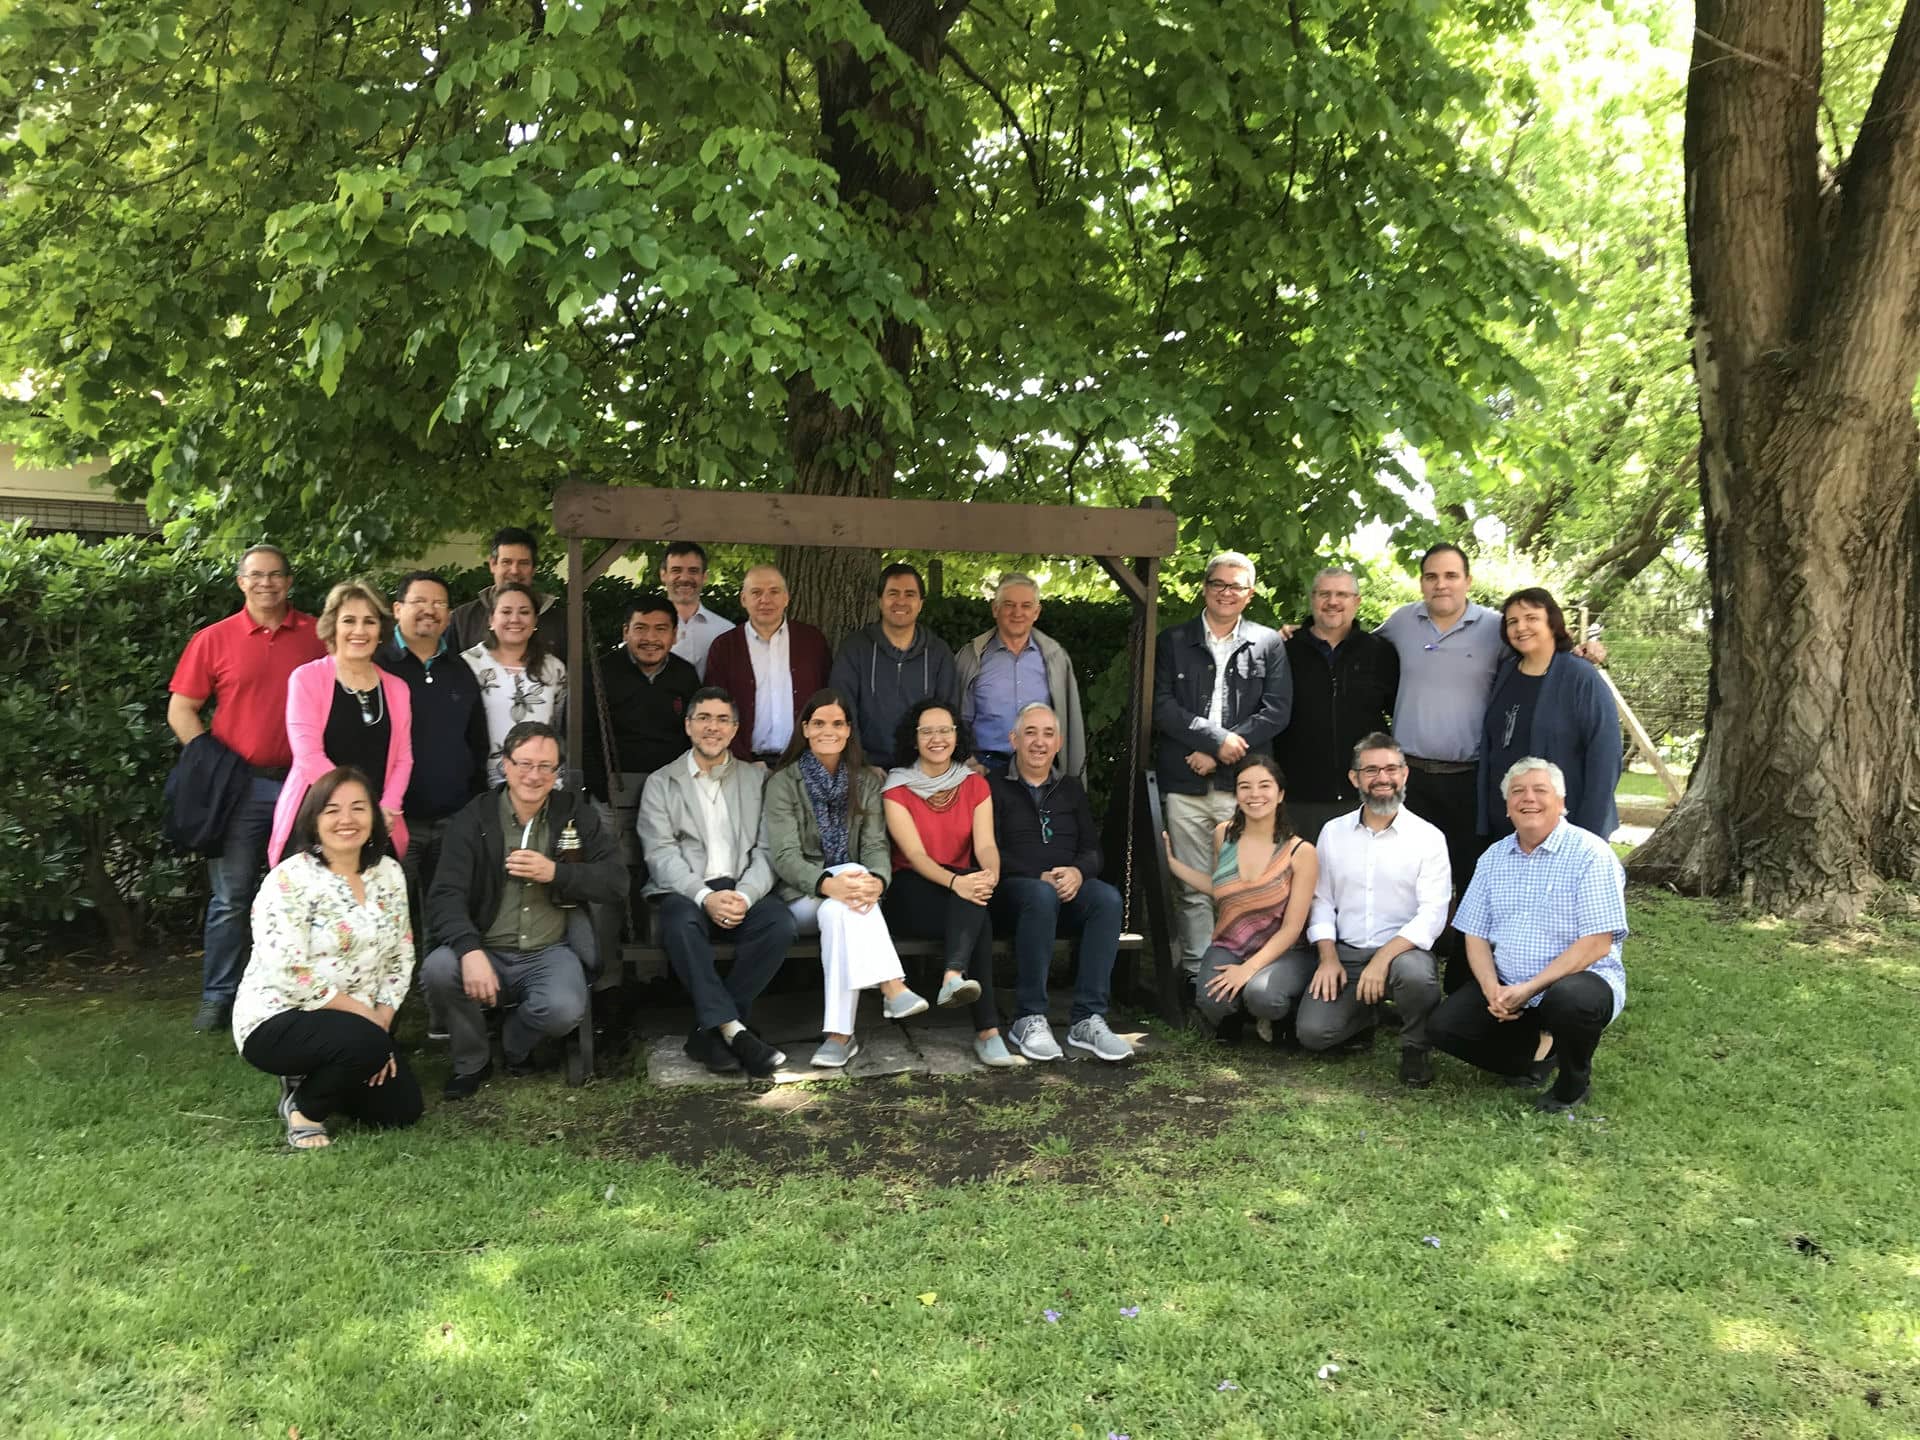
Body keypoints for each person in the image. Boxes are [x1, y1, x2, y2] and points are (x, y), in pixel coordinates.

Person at [168, 542, 327, 1031]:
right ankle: (218, 997)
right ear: (241, 582)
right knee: (231, 898)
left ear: (289, 581)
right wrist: (212, 764)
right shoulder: (213, 639)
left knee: (305, 895)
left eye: (275, 574)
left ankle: (301, 993)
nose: (266, 583)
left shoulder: (318, 635)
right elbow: (181, 709)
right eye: (255, 575)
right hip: (239, 790)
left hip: (304, 788)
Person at [423, 722, 628, 1099]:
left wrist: (557, 873)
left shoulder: (574, 813)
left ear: (557, 772)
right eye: (525, 764)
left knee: (564, 1008)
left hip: (549, 949)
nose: (534, 776)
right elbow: (445, 895)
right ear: (505, 764)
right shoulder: (474, 818)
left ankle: (513, 1044)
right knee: (439, 969)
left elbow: (616, 881)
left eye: (546, 767)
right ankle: (472, 1060)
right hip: (485, 945)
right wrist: (469, 950)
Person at [234, 767, 422, 1149]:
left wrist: (382, 1021)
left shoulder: (389, 873)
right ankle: (304, 1109)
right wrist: (369, 1027)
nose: (346, 819)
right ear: (313, 819)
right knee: (366, 1046)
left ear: (374, 816)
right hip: (280, 1016)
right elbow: (288, 970)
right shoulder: (289, 879)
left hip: (360, 1024)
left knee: (401, 1110)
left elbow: (402, 954)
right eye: (332, 810)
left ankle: (327, 1070)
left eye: (358, 808)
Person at [1428, 757, 1629, 1113]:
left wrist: (1530, 988)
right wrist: (1492, 989)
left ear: (1561, 802)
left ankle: (1572, 1086)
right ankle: (1537, 1054)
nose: (1528, 798)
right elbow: (1474, 934)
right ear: (1508, 807)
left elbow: (1597, 943)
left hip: (1579, 981)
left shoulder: (1591, 854)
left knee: (1570, 1001)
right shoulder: (1493, 857)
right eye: (1518, 792)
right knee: (1444, 1028)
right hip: (1509, 983)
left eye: (1540, 790)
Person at [637, 687, 798, 1077]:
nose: (713, 727)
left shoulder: (756, 779)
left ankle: (709, 1032)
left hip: (743, 888)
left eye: (723, 719)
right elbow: (660, 854)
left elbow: (768, 849)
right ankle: (735, 1031)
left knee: (780, 924)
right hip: (686, 891)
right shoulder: (662, 782)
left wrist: (745, 895)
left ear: (735, 729)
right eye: (704, 718)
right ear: (688, 725)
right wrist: (704, 896)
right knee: (679, 923)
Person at [765, 689, 930, 1067]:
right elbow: (785, 857)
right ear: (806, 729)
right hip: (800, 897)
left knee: (840, 912)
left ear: (848, 730)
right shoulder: (783, 783)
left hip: (851, 901)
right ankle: (892, 985)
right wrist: (829, 883)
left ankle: (840, 1036)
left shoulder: (866, 782)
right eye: (819, 723)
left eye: (837, 724)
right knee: (845, 885)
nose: (829, 731)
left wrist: (877, 880)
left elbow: (875, 845)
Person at [1153, 550, 1292, 974]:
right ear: (1204, 588)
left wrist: (1221, 751)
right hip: (1184, 782)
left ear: (1250, 594)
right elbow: (1160, 706)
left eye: (1236, 586)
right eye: (1218, 584)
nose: (1226, 592)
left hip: (1244, 787)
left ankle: (1246, 973)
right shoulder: (1172, 641)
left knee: (1247, 886)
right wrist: (1216, 741)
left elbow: (1276, 711)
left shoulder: (1267, 643)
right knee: (1192, 887)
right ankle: (1200, 975)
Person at [989, 703, 1135, 1062]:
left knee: (1107, 899)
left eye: (1048, 734)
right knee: (1040, 894)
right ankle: (1028, 1017)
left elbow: (1093, 850)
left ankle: (1087, 1018)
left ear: (1058, 743)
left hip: (1066, 891)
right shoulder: (992, 786)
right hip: (1013, 894)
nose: (1039, 742)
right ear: (1013, 739)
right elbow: (986, 850)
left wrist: (1077, 873)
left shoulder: (1070, 788)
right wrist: (1035, 875)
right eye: (1030, 733)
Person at [1302, 734, 1449, 1086]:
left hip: (1403, 955)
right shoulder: (1333, 832)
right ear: (1354, 778)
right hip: (1347, 955)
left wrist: (1382, 959)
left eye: (1391, 769)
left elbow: (1432, 914)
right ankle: (1367, 1015)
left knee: (1416, 977)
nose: (1382, 778)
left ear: (1405, 774)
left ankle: (1415, 1046)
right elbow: (1321, 900)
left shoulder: (1428, 837)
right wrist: (1327, 957)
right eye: (1371, 770)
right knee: (1313, 1033)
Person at [881, 699, 1016, 1067]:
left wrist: (990, 874)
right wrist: (959, 882)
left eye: (944, 730)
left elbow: (985, 845)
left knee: (977, 900)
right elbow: (916, 855)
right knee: (977, 911)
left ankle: (954, 979)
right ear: (914, 738)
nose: (936, 738)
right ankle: (986, 1030)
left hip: (961, 889)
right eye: (927, 731)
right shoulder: (897, 787)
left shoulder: (974, 785)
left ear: (957, 736)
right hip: (911, 888)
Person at [1374, 543, 1502, 911]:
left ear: (1468, 581)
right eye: (1431, 576)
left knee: (1470, 875)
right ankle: (1410, 946)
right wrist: (1297, 632)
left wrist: (1582, 650)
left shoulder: (1496, 628)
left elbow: (1540, 651)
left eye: (1450, 576)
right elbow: (1352, 644)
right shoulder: (1401, 622)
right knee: (1407, 876)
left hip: (1469, 778)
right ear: (1421, 583)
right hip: (1410, 778)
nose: (1440, 584)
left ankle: (1465, 949)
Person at [1162, 754, 1319, 1037]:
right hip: (1232, 944)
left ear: (1280, 794)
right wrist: (1173, 864)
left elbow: (1292, 929)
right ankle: (1243, 1013)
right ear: (1236, 794)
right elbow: (1222, 888)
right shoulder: (1223, 835)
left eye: (1264, 786)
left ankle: (1279, 1011)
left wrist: (1247, 970)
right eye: (1245, 786)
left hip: (1287, 950)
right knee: (1211, 1000)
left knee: (1264, 996)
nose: (1254, 794)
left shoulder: (1300, 852)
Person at [268, 580, 413, 867]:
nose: (359, 630)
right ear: (332, 627)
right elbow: (309, 757)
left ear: (380, 631)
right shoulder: (306, 679)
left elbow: (403, 759)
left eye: (369, 621)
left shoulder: (398, 688)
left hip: (377, 823)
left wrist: (386, 808)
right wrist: (356, 809)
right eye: (349, 620)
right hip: (317, 821)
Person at [377, 570, 489, 941]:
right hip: (392, 819)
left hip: (451, 819)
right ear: (397, 609)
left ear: (450, 615)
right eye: (420, 601)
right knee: (390, 916)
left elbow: (477, 742)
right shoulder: (376, 665)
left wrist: (471, 807)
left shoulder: (460, 670)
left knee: (444, 916)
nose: (430, 610)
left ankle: (436, 977)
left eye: (439, 603)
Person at [1479, 587, 1621, 842]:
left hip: (1563, 824)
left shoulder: (1581, 678)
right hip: (1505, 822)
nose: (1521, 627)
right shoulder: (1505, 672)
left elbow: (1605, 758)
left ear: (1552, 623)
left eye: (1531, 618)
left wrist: (1591, 831)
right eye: (1512, 622)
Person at [1277, 567, 1400, 842]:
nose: (1332, 601)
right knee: (1299, 869)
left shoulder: (1380, 652)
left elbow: (1399, 714)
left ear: (1356, 601)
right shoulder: (1284, 650)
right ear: (1312, 598)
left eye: (1342, 594)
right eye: (1324, 594)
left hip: (1363, 794)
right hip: (1299, 797)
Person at [954, 573, 1086, 779]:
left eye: (1026, 606)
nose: (1017, 613)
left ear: (1036, 612)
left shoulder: (1054, 658)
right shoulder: (972, 657)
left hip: (1039, 769)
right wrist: (966, 759)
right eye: (1009, 605)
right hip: (985, 769)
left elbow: (1067, 722)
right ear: (995, 609)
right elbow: (958, 718)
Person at [829, 562, 959, 770]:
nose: (901, 601)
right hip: (865, 768)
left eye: (910, 594)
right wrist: (860, 763)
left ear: (920, 603)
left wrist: (930, 765)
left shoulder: (939, 653)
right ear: (880, 601)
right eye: (893, 593)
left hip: (923, 768)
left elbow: (948, 715)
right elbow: (841, 711)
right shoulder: (854, 649)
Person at [703, 565, 833, 764]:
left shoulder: (812, 641)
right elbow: (713, 708)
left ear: (786, 598)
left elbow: (828, 698)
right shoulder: (725, 647)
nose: (765, 600)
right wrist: (740, 759)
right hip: (742, 764)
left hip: (805, 761)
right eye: (756, 592)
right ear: (743, 599)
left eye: (774, 591)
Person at [582, 594, 699, 803]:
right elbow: (582, 734)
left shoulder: (686, 675)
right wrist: (601, 789)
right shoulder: (599, 673)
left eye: (660, 629)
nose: (650, 638)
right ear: (625, 632)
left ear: (674, 635)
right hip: (614, 791)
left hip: (672, 790)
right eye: (640, 628)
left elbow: (696, 734)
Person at [461, 581, 567, 786]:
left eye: (524, 612)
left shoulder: (554, 669)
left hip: (540, 782)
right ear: (491, 619)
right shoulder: (468, 664)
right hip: (482, 783)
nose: (515, 619)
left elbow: (559, 726)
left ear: (535, 620)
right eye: (506, 611)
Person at [447, 526, 568, 658]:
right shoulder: (462, 619)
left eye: (523, 563)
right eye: (506, 562)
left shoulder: (559, 621)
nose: (515, 571)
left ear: (534, 569)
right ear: (493, 565)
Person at [662, 541, 730, 678]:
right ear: (663, 575)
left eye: (693, 571)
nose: (684, 578)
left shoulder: (725, 631)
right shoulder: (645, 630)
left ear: (704, 577)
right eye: (676, 570)